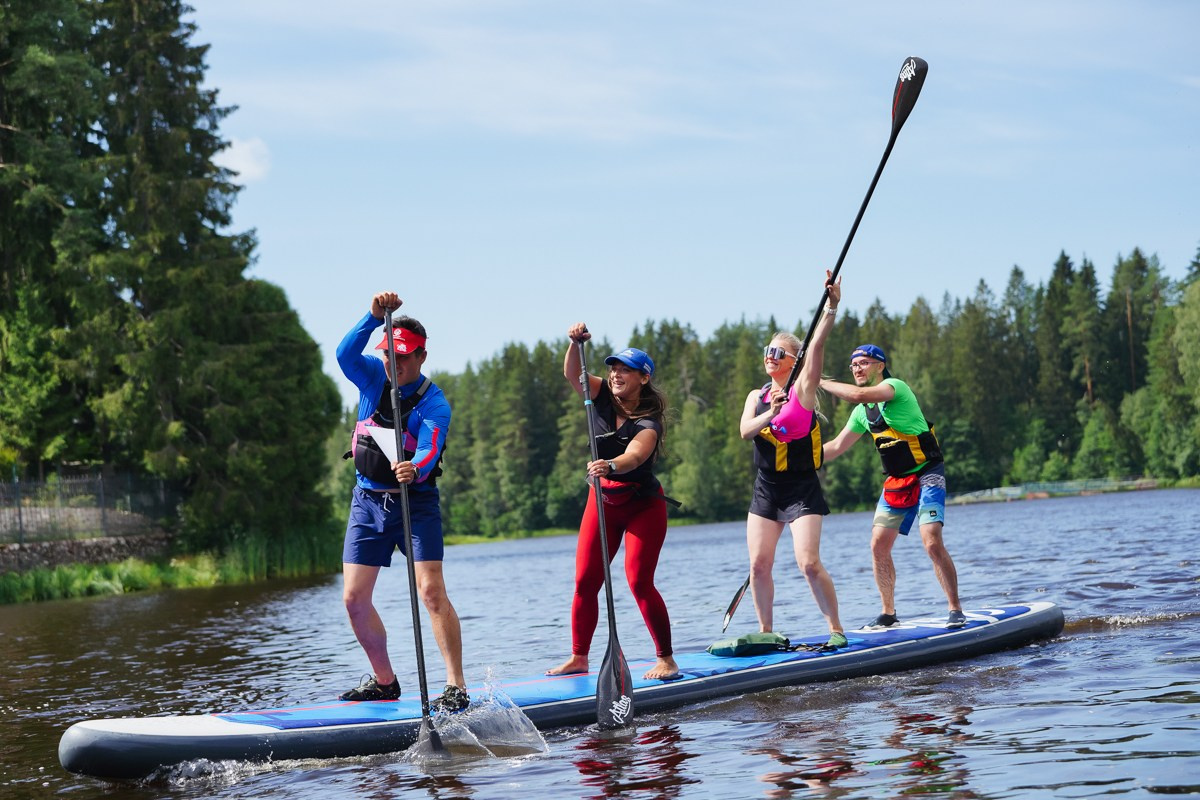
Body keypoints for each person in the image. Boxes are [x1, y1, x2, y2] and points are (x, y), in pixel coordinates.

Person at [334, 291, 468, 711]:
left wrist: (417, 468)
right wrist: (373, 317)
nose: (395, 363)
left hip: (416, 504)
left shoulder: (435, 402)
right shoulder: (372, 376)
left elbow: (430, 448)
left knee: (430, 592)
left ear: (422, 357)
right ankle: (385, 681)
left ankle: (455, 686)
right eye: (390, 354)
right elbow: (343, 354)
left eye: (404, 357)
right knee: (354, 600)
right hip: (367, 503)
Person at [546, 324, 680, 681]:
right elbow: (572, 372)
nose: (616, 374)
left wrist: (611, 464)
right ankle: (579, 658)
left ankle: (666, 659)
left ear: (644, 378)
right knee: (585, 582)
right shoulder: (599, 394)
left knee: (639, 581)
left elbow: (636, 456)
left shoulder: (648, 422)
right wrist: (574, 343)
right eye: (613, 368)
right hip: (602, 501)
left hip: (642, 506)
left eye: (625, 370)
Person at [820, 344, 966, 629]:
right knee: (878, 544)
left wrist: (818, 381)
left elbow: (858, 394)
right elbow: (836, 446)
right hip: (897, 481)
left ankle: (955, 608)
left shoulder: (894, 387)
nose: (857, 369)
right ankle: (888, 613)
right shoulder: (863, 412)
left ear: (880, 366)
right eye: (853, 365)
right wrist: (796, 458)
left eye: (863, 363)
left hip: (927, 472)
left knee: (932, 541)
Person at [739, 271, 846, 649]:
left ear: (792, 361)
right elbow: (745, 431)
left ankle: (836, 629)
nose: (769, 358)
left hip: (801, 488)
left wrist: (831, 307)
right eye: (767, 352)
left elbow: (815, 349)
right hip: (767, 488)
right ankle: (766, 633)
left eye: (777, 354)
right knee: (758, 566)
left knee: (808, 563)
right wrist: (771, 412)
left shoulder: (803, 388)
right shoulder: (759, 394)